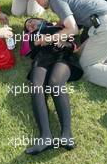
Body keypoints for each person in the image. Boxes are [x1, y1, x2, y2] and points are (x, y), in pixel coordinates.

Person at [28, 0, 107, 92]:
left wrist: (48, 39)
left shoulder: (55, 0)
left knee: (83, 67)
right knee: (80, 54)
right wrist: (52, 26)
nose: (37, 3)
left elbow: (72, 29)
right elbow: (68, 21)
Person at [21, 18, 83, 155]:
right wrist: (33, 37)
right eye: (27, 25)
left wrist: (62, 42)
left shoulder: (60, 26)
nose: (30, 24)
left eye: (31, 21)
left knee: (55, 83)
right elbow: (26, 50)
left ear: (41, 20)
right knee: (36, 87)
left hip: (62, 57)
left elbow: (73, 45)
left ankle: (67, 135)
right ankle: (45, 137)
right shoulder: (31, 34)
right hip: (42, 59)